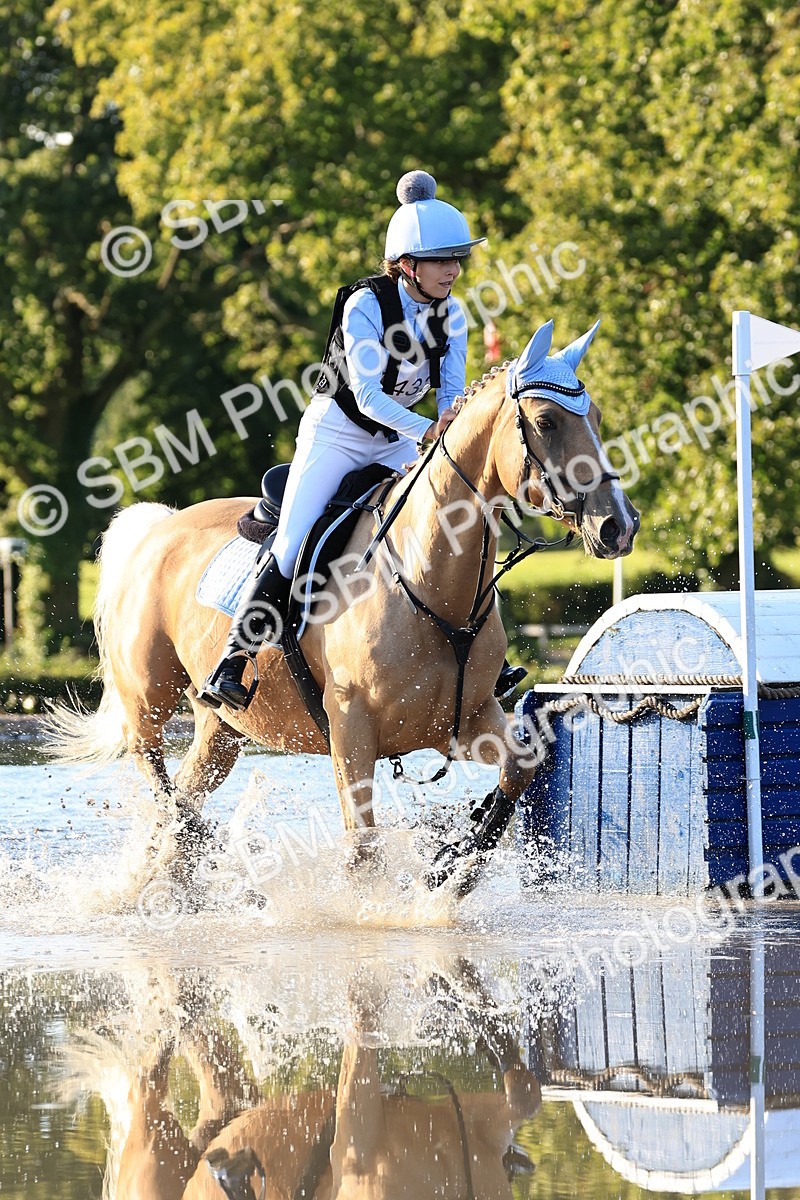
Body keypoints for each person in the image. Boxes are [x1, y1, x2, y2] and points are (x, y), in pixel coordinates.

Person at [197, 170, 526, 712]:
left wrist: (448, 425)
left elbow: (450, 395)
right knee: (293, 540)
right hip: (338, 433)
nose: (453, 270)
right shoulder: (365, 306)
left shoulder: (454, 315)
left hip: (398, 437)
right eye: (442, 260)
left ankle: (487, 655)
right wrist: (428, 431)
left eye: (457, 259)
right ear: (407, 265)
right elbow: (368, 397)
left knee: (457, 520)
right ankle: (235, 657)